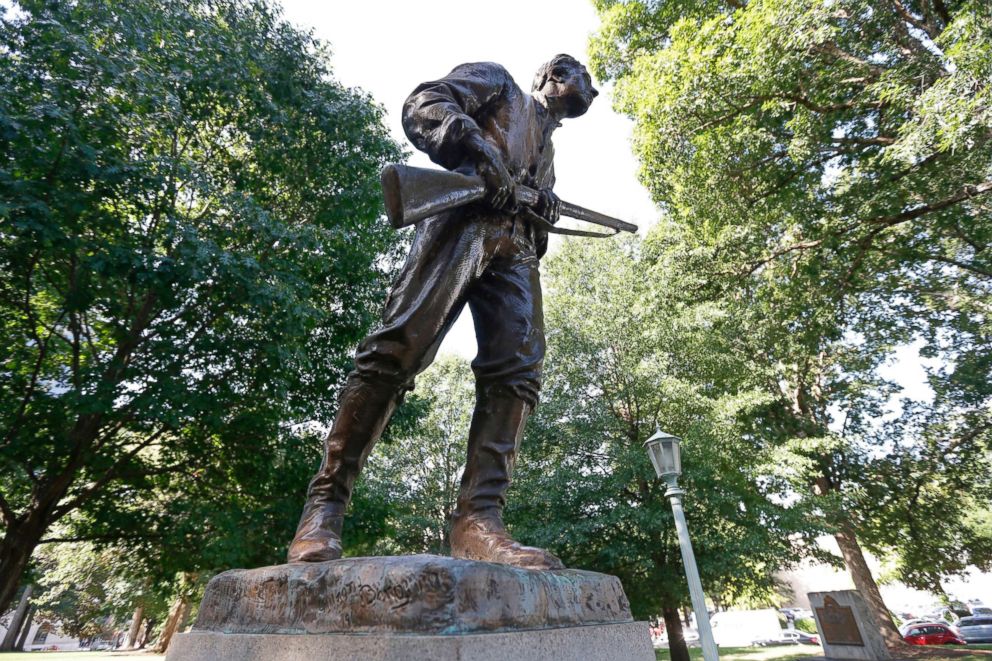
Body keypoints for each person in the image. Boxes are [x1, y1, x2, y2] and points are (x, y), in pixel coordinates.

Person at [287, 54, 599, 570]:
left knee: (518, 373)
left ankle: (479, 520)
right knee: (394, 351)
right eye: (588, 78)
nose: (595, 91)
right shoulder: (498, 83)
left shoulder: (548, 144)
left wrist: (544, 204)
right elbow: (424, 103)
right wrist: (476, 144)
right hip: (460, 224)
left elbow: (532, 208)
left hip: (516, 246)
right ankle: (324, 507)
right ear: (556, 77)